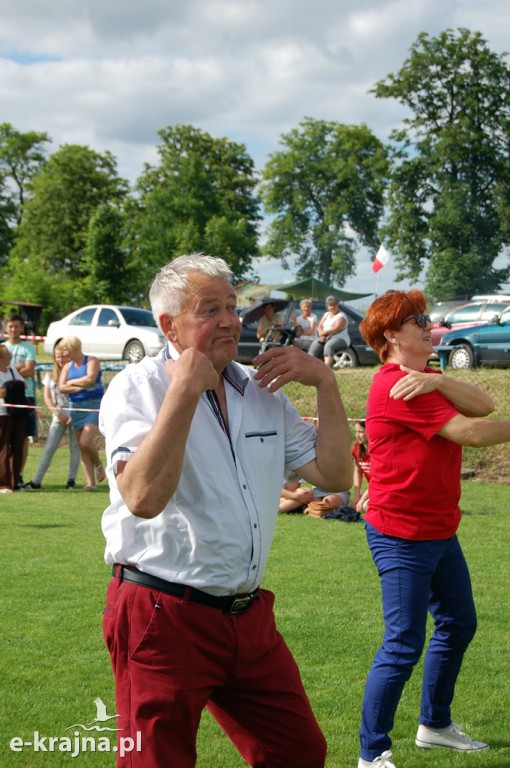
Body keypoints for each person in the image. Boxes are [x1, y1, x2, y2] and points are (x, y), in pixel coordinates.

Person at [99, 252, 352, 768]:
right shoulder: (137, 387)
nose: (232, 321)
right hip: (162, 614)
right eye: (210, 309)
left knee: (298, 751)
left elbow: (334, 476)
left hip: (247, 616)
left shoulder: (260, 389)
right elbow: (143, 498)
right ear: (170, 325)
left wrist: (325, 382)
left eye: (233, 307)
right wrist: (185, 389)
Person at [355, 289, 510, 768]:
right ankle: (372, 753)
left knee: (459, 623)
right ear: (390, 335)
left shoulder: (425, 378)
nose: (428, 324)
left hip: (439, 530)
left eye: (426, 316)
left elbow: (482, 405)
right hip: (402, 534)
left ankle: (434, 725)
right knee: (403, 643)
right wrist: (430, 385)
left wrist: (437, 383)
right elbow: (471, 433)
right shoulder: (393, 386)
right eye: (416, 319)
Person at [22, 343, 80, 490]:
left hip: (75, 415)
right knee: (49, 448)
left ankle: (71, 480)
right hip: (58, 416)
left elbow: (80, 395)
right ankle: (36, 480)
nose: (61, 359)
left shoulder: (76, 374)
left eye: (65, 356)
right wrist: (57, 414)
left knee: (75, 447)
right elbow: (48, 398)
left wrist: (74, 415)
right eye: (58, 356)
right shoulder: (50, 376)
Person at [58, 336, 105, 491]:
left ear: (73, 348)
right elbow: (61, 388)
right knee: (82, 446)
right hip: (75, 407)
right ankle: (90, 483)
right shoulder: (66, 367)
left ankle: (99, 464)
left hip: (93, 406)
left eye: (66, 349)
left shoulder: (92, 361)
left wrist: (71, 383)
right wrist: (79, 386)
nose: (64, 353)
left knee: (86, 441)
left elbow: (90, 379)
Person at [3, 313, 37, 486]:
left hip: (25, 396)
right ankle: (5, 474)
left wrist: (9, 368)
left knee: (22, 439)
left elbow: (30, 371)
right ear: (5, 328)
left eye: (17, 326)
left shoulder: (28, 348)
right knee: (5, 439)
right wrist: (18, 368)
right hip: (5, 401)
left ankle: (19, 474)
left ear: (22, 328)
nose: (13, 329)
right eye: (11, 326)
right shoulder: (2, 347)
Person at [0, 344, 27, 493]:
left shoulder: (12, 370)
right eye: (7, 355)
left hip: (16, 413)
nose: (10, 358)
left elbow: (22, 384)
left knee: (17, 447)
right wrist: (12, 387)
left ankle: (14, 481)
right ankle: (3, 483)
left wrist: (8, 387)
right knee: (3, 448)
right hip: (2, 414)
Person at [309, 296, 350, 367]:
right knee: (314, 345)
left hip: (340, 338)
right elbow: (320, 325)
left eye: (334, 305)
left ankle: (327, 367)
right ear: (327, 306)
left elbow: (336, 328)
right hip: (325, 337)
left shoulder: (341, 316)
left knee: (329, 346)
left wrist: (324, 333)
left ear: (337, 305)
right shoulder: (326, 314)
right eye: (330, 305)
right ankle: (309, 366)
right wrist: (321, 335)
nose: (332, 307)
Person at [350, 419, 371, 514]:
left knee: (364, 506)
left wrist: (362, 499)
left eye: (360, 432)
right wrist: (357, 495)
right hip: (373, 490)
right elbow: (358, 470)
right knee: (353, 505)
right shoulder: (357, 446)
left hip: (381, 488)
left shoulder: (378, 448)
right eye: (356, 432)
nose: (357, 436)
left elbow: (377, 479)